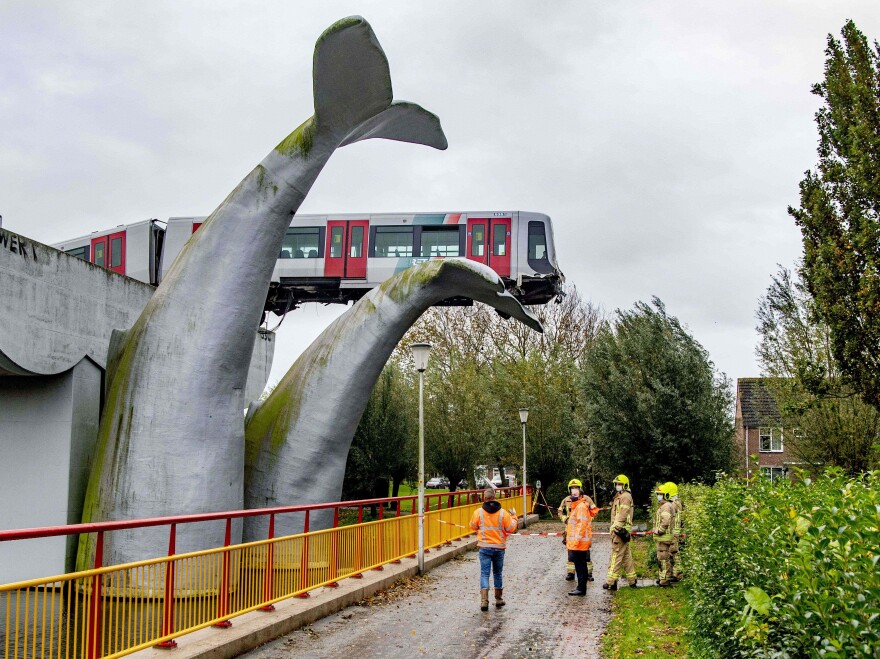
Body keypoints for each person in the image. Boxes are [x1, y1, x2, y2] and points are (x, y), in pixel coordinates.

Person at [469, 488, 518, 611]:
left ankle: (484, 601)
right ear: (495, 497)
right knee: (497, 573)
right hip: (499, 548)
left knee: (484, 574)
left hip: (484, 547)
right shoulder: (503, 513)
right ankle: (499, 599)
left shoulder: (478, 512)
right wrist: (515, 517)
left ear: (484, 498)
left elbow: (472, 526)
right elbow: (511, 528)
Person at [565, 478, 599, 596]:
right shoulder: (578, 506)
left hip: (579, 543)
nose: (573, 493)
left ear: (580, 492)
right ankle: (581, 588)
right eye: (572, 491)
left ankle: (581, 588)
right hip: (579, 543)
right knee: (581, 565)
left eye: (576, 490)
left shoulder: (580, 507)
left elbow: (581, 526)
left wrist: (576, 541)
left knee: (580, 566)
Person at [603, 474, 637, 591]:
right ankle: (632, 580)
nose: (617, 486)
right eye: (617, 484)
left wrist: (616, 528)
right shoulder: (621, 496)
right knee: (626, 556)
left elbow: (623, 513)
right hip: (623, 530)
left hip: (620, 531)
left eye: (620, 484)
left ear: (625, 485)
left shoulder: (625, 497)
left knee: (616, 555)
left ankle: (611, 582)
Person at [653, 483, 677, 587]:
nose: (658, 496)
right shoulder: (665, 505)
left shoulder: (666, 506)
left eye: (660, 494)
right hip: (663, 537)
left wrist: (659, 530)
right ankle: (663, 578)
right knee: (663, 559)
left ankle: (664, 580)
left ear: (666, 495)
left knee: (663, 559)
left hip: (664, 537)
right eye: (658, 494)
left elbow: (665, 521)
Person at [557, 480, 576, 581]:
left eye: (576, 488)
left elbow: (592, 513)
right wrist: (564, 519)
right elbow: (560, 511)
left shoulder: (585, 500)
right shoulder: (566, 500)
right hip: (569, 529)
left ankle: (588, 573)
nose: (574, 490)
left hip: (580, 530)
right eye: (572, 488)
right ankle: (570, 573)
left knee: (585, 553)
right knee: (571, 552)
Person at [667, 482, 684, 582]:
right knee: (673, 552)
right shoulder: (677, 502)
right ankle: (675, 572)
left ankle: (677, 574)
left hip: (673, 531)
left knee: (674, 552)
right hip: (675, 531)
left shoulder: (674, 504)